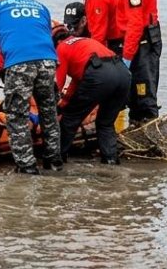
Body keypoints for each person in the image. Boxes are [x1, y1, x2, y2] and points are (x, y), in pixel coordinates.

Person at [0, 0, 63, 174]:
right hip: (48, 62)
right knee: (49, 113)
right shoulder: (41, 7)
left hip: (19, 63)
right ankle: (54, 162)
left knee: (17, 116)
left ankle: (27, 166)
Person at [99, 0, 162, 124]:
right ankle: (139, 128)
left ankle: (148, 130)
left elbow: (135, 25)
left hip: (142, 42)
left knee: (143, 94)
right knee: (136, 92)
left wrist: (127, 57)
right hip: (144, 40)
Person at [52, 23, 132, 164]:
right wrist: (64, 102)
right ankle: (111, 161)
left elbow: (59, 82)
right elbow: (77, 80)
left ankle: (57, 158)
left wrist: (51, 105)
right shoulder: (84, 41)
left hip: (100, 76)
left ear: (56, 41)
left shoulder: (61, 48)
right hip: (123, 74)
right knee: (106, 122)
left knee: (70, 119)